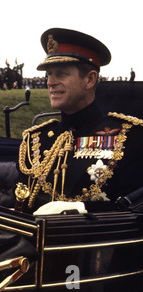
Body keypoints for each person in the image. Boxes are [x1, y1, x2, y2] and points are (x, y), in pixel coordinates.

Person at [17, 28, 143, 215]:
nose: (50, 82)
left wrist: (82, 209)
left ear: (90, 79)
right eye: (48, 74)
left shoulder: (130, 136)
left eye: (61, 74)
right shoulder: (35, 140)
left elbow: (136, 210)